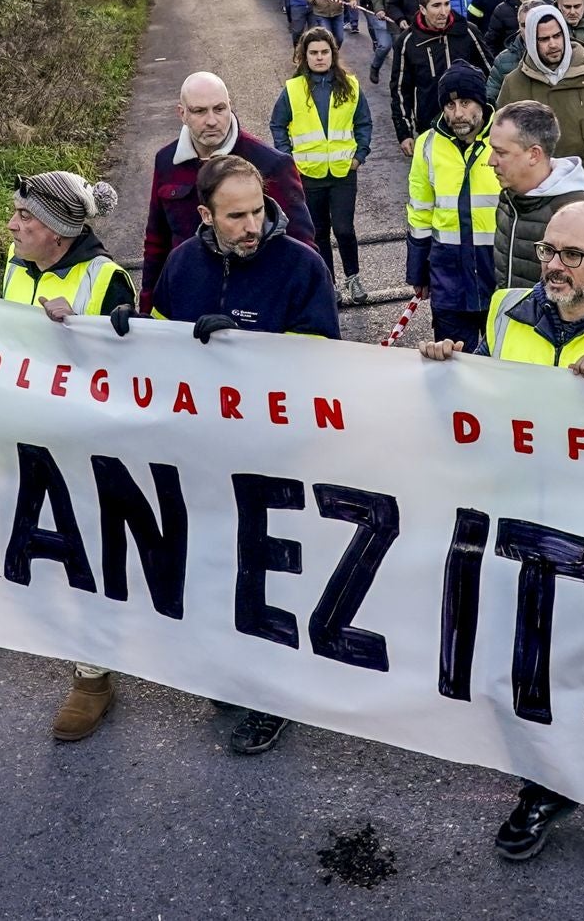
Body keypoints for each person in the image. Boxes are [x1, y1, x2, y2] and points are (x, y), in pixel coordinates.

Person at [420, 201, 584, 874]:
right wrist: (448, 369)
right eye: (548, 251)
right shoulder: (509, 312)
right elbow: (480, 406)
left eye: (571, 255)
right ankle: (545, 788)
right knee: (532, 671)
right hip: (527, 531)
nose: (553, 266)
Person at [147, 154, 340, 756]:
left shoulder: (300, 266)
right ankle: (234, 676)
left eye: (258, 211)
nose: (252, 224)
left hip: (276, 456)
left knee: (268, 578)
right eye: (235, 216)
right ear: (205, 215)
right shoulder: (182, 264)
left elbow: (326, 360)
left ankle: (275, 697)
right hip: (203, 452)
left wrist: (249, 349)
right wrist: (124, 334)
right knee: (212, 569)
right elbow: (156, 342)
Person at [0, 170, 135, 741]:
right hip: (22, 435)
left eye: (24, 219)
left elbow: (138, 369)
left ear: (56, 231)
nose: (12, 225)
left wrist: (79, 331)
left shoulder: (107, 278)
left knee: (84, 554)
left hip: (84, 449)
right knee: (37, 544)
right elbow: (5, 341)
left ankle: (93, 674)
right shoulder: (16, 261)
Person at [139, 71, 316, 315]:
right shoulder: (167, 161)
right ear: (182, 114)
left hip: (255, 304)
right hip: (186, 298)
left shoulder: (271, 164)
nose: (212, 120)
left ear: (230, 107)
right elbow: (156, 242)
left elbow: (303, 248)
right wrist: (147, 310)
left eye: (219, 109)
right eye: (200, 111)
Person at [495, 5, 584, 206]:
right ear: (531, 42)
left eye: (557, 36)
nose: (553, 44)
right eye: (544, 39)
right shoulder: (514, 84)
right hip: (535, 193)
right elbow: (501, 139)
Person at [270, 28, 371, 301]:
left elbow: (363, 122)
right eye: (313, 53)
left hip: (342, 171)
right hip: (308, 173)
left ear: (332, 54)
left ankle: (354, 279)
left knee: (344, 229)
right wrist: (287, 158)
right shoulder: (293, 90)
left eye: (324, 52)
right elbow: (277, 124)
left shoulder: (350, 86)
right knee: (319, 232)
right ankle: (330, 283)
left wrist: (359, 156)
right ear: (304, 56)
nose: (319, 58)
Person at [406, 63, 498, 349]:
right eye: (449, 104)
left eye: (466, 103)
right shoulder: (427, 145)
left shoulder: (506, 139)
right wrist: (418, 272)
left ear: (481, 104)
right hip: (449, 276)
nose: (457, 114)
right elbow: (420, 213)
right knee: (455, 370)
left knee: (505, 370)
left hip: (498, 273)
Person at [485, 100, 584, 288]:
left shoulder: (579, 216)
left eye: (500, 153)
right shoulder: (510, 199)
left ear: (534, 154)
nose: (491, 161)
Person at [392, 0, 491, 157]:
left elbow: (490, 74)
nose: (443, 12)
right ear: (423, 9)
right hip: (431, 125)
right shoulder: (408, 42)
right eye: (436, 6)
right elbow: (401, 90)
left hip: (471, 125)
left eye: (446, 4)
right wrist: (404, 133)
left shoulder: (468, 32)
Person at [479, 0, 544, 80]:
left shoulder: (549, 7)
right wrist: (501, 68)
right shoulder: (502, 10)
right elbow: (490, 44)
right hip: (512, 74)